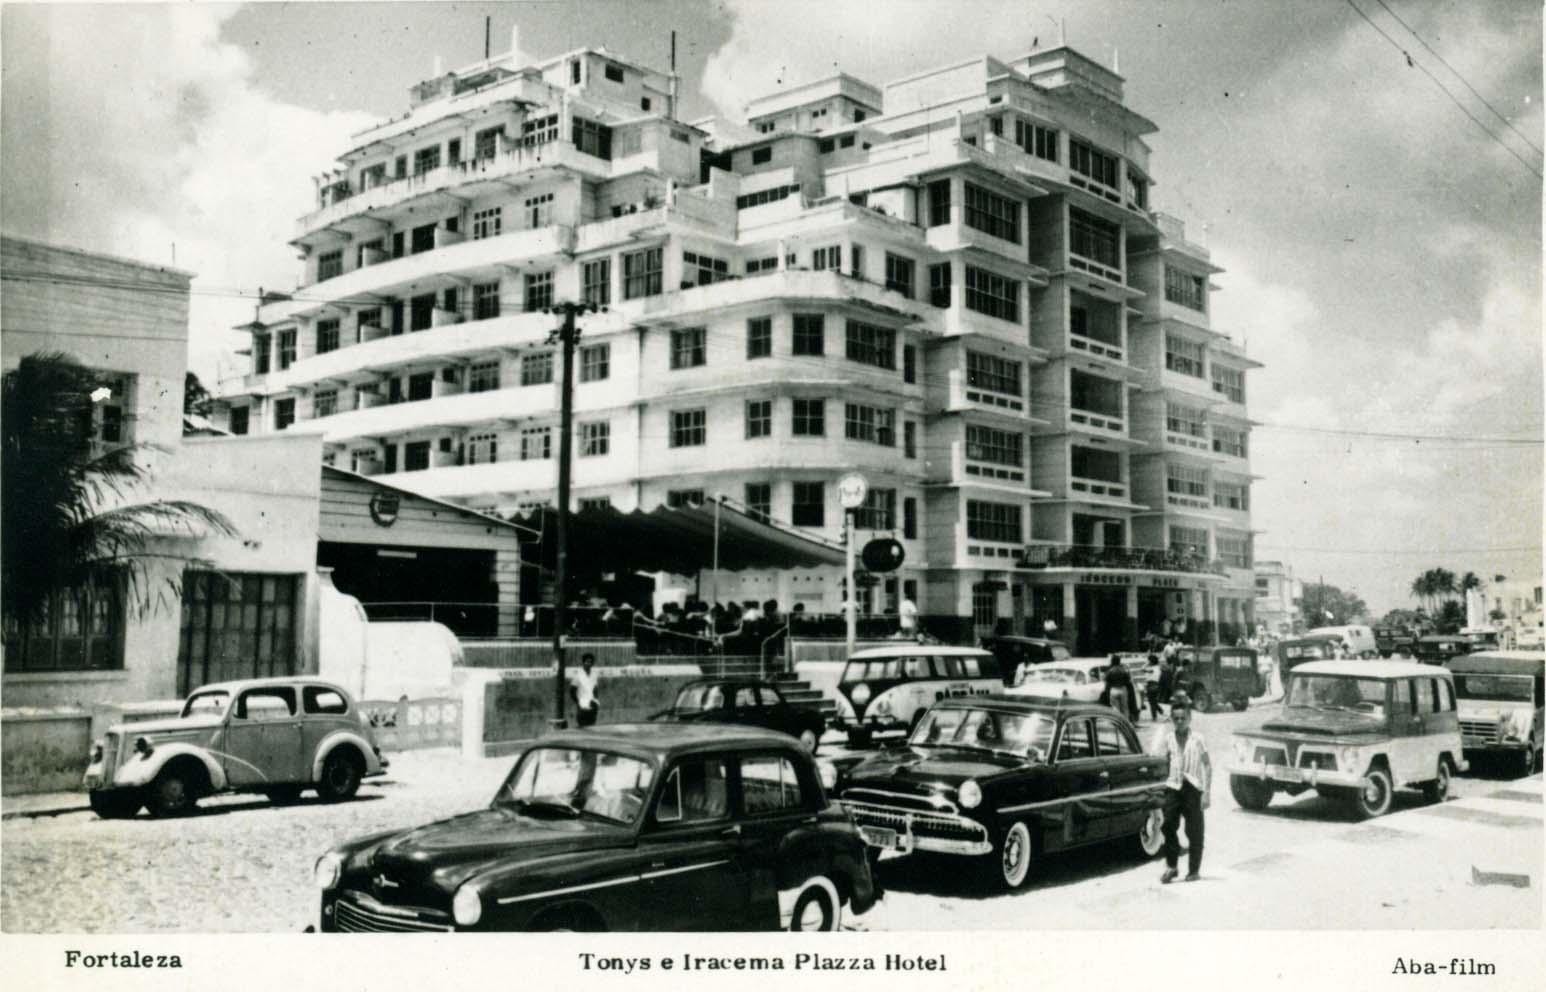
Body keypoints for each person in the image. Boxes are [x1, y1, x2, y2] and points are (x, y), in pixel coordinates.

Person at [1153, 693, 1210, 883]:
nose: (1179, 722)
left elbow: (1207, 765)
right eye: (1175, 719)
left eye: (1183, 718)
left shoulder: (1198, 739)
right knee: (1168, 825)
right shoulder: (1169, 738)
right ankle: (1172, 866)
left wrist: (1206, 793)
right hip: (1174, 787)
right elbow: (1164, 760)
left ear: (1189, 718)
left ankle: (1194, 870)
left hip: (1193, 788)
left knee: (1194, 831)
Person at [1101, 655, 1138, 722]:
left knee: (1115, 708)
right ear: (1119, 661)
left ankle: (1117, 723)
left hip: (1113, 689)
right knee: (1125, 708)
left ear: (1112, 661)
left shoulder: (1110, 671)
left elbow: (1106, 681)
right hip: (1122, 689)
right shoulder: (1123, 670)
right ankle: (1126, 723)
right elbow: (1128, 680)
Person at [569, 653, 600, 728]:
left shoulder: (594, 674)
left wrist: (596, 700)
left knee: (592, 725)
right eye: (587, 662)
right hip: (582, 705)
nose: (588, 664)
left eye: (590, 662)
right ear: (583, 663)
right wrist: (578, 702)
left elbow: (595, 689)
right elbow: (572, 691)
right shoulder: (578, 675)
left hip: (592, 704)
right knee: (583, 727)